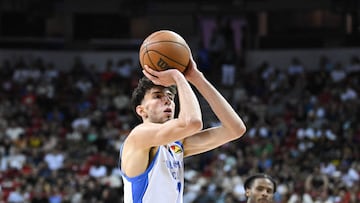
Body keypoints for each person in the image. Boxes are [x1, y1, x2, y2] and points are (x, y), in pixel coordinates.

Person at [118, 48, 246, 202]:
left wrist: (197, 78)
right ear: (141, 111)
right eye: (157, 96)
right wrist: (178, 77)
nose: (167, 100)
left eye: (170, 97)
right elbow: (193, 122)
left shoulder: (176, 145)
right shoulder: (139, 136)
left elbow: (235, 129)